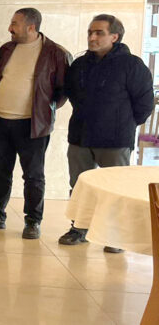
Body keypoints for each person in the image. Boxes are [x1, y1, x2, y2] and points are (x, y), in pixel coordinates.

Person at [58, 14, 152, 252]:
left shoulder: (132, 65)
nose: (92, 37)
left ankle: (115, 237)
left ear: (115, 37)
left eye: (99, 32)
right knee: (79, 186)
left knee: (116, 190)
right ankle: (79, 229)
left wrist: (123, 123)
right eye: (90, 32)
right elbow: (71, 94)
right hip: (80, 136)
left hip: (115, 140)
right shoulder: (80, 64)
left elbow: (144, 104)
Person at [0, 8, 70, 240]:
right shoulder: (6, 49)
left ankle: (33, 221)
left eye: (15, 24)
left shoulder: (55, 53)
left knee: (33, 176)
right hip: (0, 121)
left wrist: (44, 110)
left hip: (32, 125)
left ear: (31, 27)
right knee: (0, 174)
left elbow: (62, 91)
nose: (10, 28)